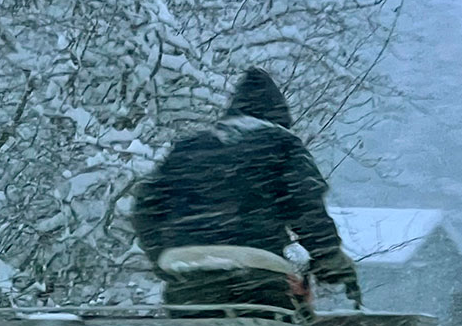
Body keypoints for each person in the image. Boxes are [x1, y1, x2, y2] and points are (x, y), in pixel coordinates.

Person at [132, 68, 360, 309]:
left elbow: (146, 206)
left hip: (188, 273)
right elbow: (306, 207)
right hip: (256, 274)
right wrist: (329, 259)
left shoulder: (188, 148)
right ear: (279, 114)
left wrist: (162, 257)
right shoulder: (282, 144)